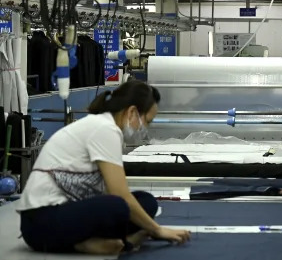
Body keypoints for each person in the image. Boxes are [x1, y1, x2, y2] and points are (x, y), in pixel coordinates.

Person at [16, 79, 190, 255]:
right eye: (147, 121)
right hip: (40, 223)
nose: (146, 128)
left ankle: (96, 241)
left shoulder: (105, 127)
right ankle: (86, 243)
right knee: (119, 206)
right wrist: (157, 230)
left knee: (146, 202)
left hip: (59, 215)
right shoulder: (104, 129)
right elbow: (118, 193)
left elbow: (108, 191)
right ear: (132, 112)